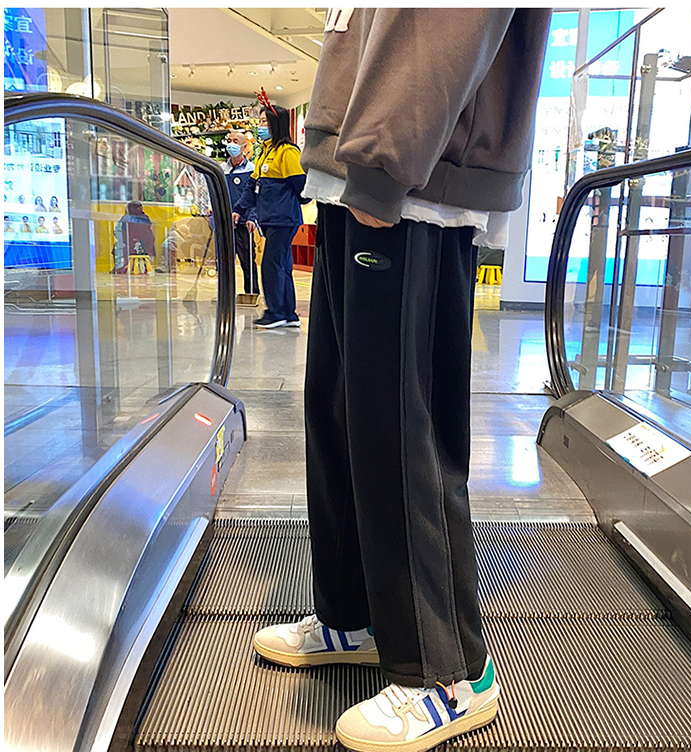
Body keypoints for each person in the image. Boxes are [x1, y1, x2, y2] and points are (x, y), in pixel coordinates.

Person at [252, 9, 550, 752]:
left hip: (411, 175)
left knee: (400, 428)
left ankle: (451, 671)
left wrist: (386, 159)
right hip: (357, 169)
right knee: (339, 411)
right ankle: (352, 614)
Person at [234, 93, 306, 329]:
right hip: (271, 218)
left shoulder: (287, 152)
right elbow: (252, 185)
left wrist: (292, 202)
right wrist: (240, 209)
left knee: (271, 264)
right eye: (260, 122)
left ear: (276, 124)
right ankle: (288, 314)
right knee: (282, 265)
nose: (260, 126)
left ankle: (275, 313)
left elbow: (301, 185)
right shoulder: (265, 152)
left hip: (283, 218)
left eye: (264, 122)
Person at [222, 130, 260, 305]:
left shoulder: (252, 170)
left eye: (236, 141)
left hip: (244, 223)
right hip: (225, 223)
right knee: (225, 262)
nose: (231, 144)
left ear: (244, 147)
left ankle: (252, 293)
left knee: (247, 261)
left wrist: (252, 217)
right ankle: (226, 295)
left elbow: (255, 197)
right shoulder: (221, 170)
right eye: (229, 140)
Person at [112, 201, 156, 274]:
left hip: (132, 244)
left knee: (118, 248)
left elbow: (119, 232)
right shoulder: (145, 218)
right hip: (143, 245)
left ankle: (121, 266)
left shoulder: (126, 218)